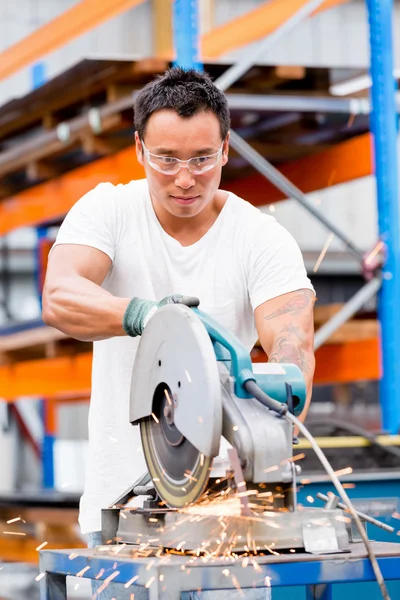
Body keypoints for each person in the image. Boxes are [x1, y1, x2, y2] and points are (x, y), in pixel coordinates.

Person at [42, 67, 315, 599]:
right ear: (140, 149)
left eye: (200, 159)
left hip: (226, 520)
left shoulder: (260, 237)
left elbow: (293, 344)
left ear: (226, 150)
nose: (185, 178)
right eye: (167, 160)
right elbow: (60, 295)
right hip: (117, 512)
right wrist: (145, 316)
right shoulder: (109, 212)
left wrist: (276, 403)